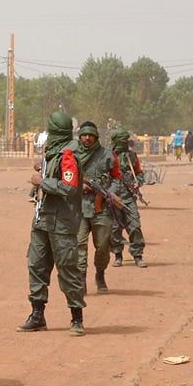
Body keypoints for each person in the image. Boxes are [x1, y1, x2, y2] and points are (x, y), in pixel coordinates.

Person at [18, 111, 86, 336]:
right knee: (36, 266)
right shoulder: (53, 153)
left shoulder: (68, 155)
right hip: (42, 219)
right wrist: (44, 168)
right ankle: (37, 314)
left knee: (68, 269)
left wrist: (42, 181)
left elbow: (69, 187)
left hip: (62, 223)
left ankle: (76, 318)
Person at [75, 121, 122, 294]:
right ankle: (81, 280)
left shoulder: (108, 155)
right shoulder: (72, 155)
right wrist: (80, 187)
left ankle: (100, 273)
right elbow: (66, 177)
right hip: (78, 207)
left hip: (101, 208)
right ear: (79, 136)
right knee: (79, 245)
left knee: (102, 245)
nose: (87, 138)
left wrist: (109, 193)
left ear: (96, 136)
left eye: (90, 135)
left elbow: (117, 178)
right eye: (84, 135)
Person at [110, 128, 148, 268]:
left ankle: (138, 255)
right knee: (115, 229)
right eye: (122, 141)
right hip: (113, 198)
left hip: (128, 197)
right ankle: (117, 255)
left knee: (135, 226)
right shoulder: (108, 157)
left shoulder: (131, 157)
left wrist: (138, 181)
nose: (124, 143)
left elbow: (139, 173)